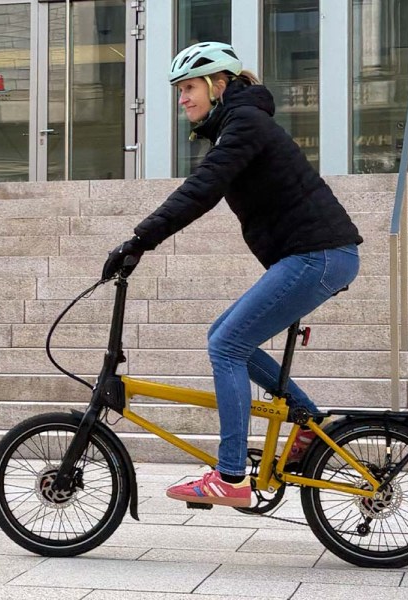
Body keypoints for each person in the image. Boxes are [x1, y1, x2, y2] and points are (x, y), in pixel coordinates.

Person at [101, 41, 363, 508]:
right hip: (315, 255)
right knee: (223, 335)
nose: (182, 98)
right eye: (178, 90)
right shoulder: (238, 125)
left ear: (219, 85)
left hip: (317, 255)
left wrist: (139, 240)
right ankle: (310, 424)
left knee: (227, 346)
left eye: (189, 87)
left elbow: (203, 189)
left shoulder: (245, 123)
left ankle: (231, 476)